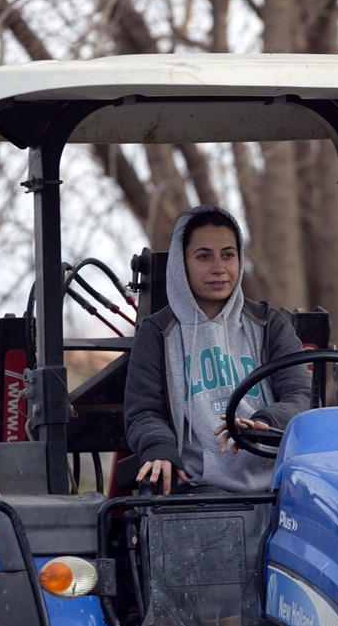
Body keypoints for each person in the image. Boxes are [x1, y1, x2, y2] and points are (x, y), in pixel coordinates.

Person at [124, 205, 311, 495]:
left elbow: (300, 395)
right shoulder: (157, 333)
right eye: (203, 256)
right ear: (180, 263)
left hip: (280, 479)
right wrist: (158, 448)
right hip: (200, 485)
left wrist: (264, 422)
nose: (219, 268)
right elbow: (144, 412)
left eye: (228, 254)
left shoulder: (268, 324)